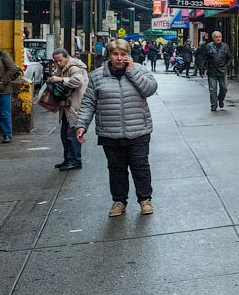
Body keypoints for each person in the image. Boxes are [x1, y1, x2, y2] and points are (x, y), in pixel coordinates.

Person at [76, 38, 158, 217]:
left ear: (128, 55)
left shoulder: (140, 70)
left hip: (138, 130)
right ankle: (119, 201)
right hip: (110, 133)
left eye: (123, 54)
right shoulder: (97, 76)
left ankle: (145, 200)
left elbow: (150, 89)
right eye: (115, 54)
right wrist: (81, 125)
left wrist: (132, 72)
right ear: (109, 56)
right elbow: (89, 102)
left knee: (140, 167)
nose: (119, 58)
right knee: (116, 169)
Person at [48, 48, 89, 171]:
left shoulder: (74, 68)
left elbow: (78, 81)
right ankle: (68, 159)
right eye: (56, 61)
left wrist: (60, 80)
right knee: (65, 135)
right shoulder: (63, 68)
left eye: (60, 60)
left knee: (72, 135)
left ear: (67, 57)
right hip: (67, 107)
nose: (58, 63)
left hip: (74, 106)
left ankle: (75, 161)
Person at [201, 31, 231, 112]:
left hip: (222, 71)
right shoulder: (208, 46)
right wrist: (202, 69)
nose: (218, 38)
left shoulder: (225, 46)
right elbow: (204, 58)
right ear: (213, 38)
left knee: (224, 88)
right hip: (212, 71)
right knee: (212, 89)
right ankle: (214, 104)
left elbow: (229, 57)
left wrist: (226, 65)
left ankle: (220, 99)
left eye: (219, 37)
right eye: (216, 37)